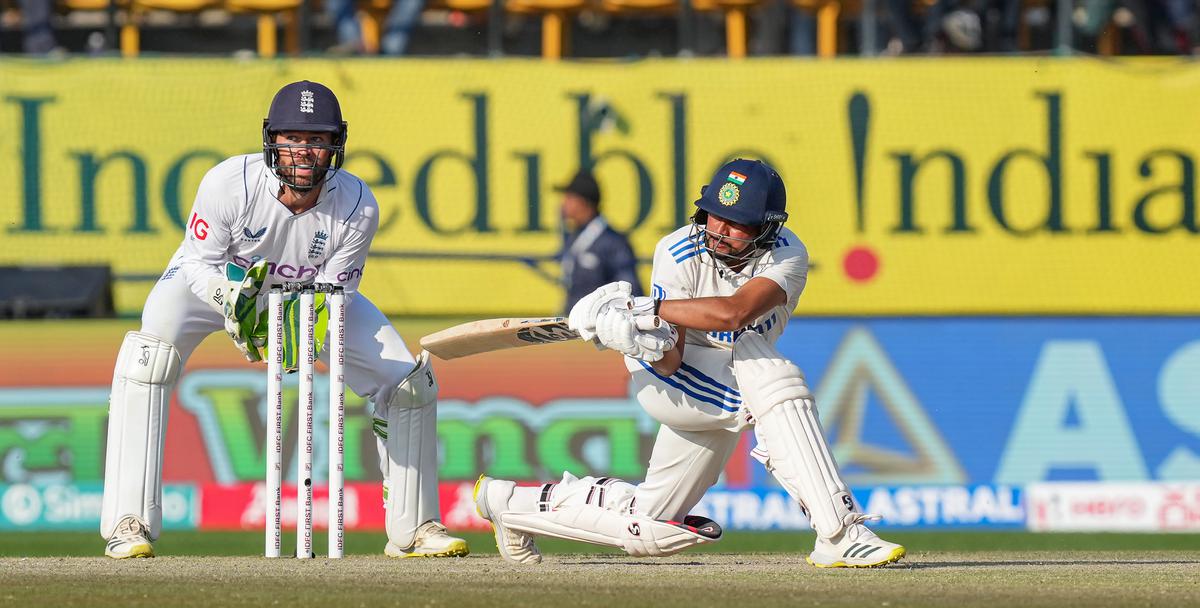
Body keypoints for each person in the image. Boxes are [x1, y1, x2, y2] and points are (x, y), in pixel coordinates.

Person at [475, 158, 905, 568]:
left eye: (738, 222)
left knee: (651, 523)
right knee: (772, 376)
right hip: (671, 380)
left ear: (768, 227)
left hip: (727, 370)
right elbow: (670, 360)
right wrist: (632, 337)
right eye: (714, 215)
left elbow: (735, 313)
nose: (720, 230)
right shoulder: (677, 251)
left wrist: (645, 308)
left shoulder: (786, 256)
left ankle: (510, 504)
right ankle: (840, 534)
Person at [100, 80, 467, 560]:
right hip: (216, 283)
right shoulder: (229, 183)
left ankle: (414, 526)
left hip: (312, 293)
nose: (303, 151)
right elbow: (195, 263)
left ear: (336, 146)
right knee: (148, 359)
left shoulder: (357, 204)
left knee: (407, 383)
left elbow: (336, 296)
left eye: (316, 140)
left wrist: (295, 338)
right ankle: (129, 524)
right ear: (271, 140)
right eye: (292, 139)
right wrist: (233, 303)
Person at [556, 169, 643, 315]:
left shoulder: (613, 242)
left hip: (601, 328)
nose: (564, 203)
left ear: (584, 202)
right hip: (576, 326)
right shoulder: (575, 236)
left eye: (569, 198)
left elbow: (631, 292)